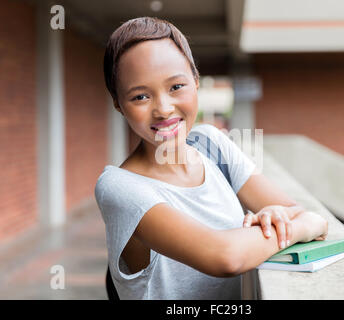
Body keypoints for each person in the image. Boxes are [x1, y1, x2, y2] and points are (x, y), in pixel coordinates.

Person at [94, 17, 328, 300]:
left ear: (196, 80)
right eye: (141, 96)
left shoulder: (210, 143)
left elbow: (289, 208)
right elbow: (225, 257)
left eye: (176, 86)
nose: (164, 109)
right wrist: (304, 225)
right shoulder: (119, 187)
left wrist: (274, 216)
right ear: (118, 103)